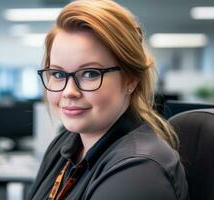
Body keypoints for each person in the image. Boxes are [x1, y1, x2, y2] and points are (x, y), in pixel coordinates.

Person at [28, 0, 188, 199]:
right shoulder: (66, 144)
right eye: (58, 74)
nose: (69, 92)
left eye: (90, 73)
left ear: (131, 79)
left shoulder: (138, 172)